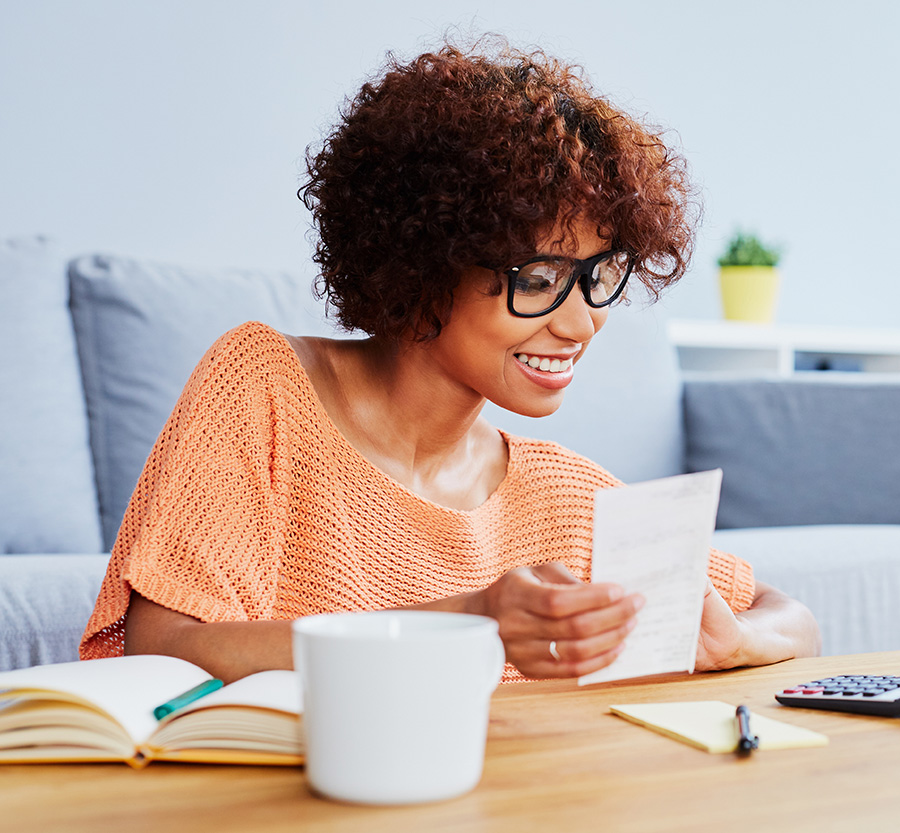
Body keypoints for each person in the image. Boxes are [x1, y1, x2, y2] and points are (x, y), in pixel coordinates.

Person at [80, 39, 820, 683]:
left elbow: (794, 618)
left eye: (598, 277)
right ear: (424, 264)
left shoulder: (564, 497)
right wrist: (475, 617)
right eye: (538, 280)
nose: (582, 321)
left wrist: (740, 640)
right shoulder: (264, 386)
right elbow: (165, 645)